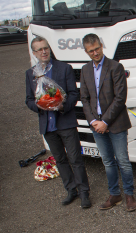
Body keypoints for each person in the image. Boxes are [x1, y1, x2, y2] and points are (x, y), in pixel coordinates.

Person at [26, 36, 91, 209]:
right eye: (39, 49)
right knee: (60, 160)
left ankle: (84, 192)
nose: (43, 51)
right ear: (34, 53)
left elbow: (73, 94)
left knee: (76, 158)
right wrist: (40, 105)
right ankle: (71, 190)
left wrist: (61, 106)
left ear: (50, 48)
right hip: (48, 126)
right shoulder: (30, 73)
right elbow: (28, 100)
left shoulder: (64, 68)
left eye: (45, 47)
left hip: (66, 122)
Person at [80, 33, 136, 212]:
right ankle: (115, 194)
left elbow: (120, 98)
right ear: (86, 51)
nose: (95, 53)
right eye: (91, 51)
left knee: (122, 160)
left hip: (116, 123)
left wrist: (104, 121)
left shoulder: (115, 67)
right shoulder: (85, 70)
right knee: (107, 161)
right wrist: (93, 121)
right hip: (96, 125)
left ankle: (129, 194)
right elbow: (84, 98)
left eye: (97, 48)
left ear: (101, 45)